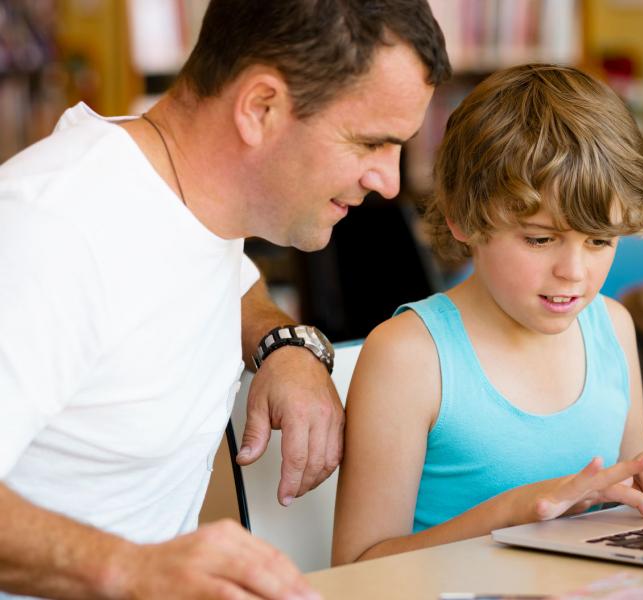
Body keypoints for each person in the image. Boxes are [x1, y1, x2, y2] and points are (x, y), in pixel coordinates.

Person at [0, 0, 450, 597]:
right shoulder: (50, 229)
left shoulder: (186, 198)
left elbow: (229, 278)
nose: (388, 180)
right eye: (370, 142)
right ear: (260, 107)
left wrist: (283, 344)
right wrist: (128, 570)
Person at [331, 64, 643, 565]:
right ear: (463, 217)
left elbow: (630, 494)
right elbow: (355, 571)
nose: (574, 272)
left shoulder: (611, 326)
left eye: (600, 241)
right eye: (540, 239)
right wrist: (512, 514)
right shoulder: (409, 356)